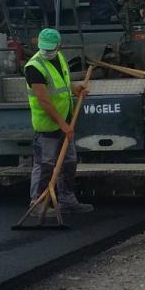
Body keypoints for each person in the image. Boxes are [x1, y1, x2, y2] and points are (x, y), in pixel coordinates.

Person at [24, 28, 94, 214]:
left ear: (58, 46)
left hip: (65, 120)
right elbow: (44, 100)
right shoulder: (34, 67)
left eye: (50, 48)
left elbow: (62, 84)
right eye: (43, 48)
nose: (47, 52)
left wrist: (75, 89)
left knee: (69, 162)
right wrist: (62, 125)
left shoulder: (60, 58)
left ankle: (67, 200)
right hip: (47, 124)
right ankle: (37, 203)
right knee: (45, 165)